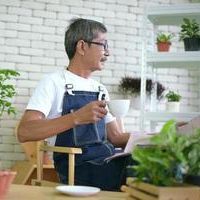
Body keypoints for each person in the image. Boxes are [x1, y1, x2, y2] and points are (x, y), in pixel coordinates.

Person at [17, 18, 133, 191]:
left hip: (106, 160)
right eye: (103, 45)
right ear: (82, 46)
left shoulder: (99, 88)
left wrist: (161, 136)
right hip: (78, 168)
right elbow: (24, 131)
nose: (107, 53)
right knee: (139, 168)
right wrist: (76, 117)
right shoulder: (53, 82)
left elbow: (116, 137)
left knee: (152, 160)